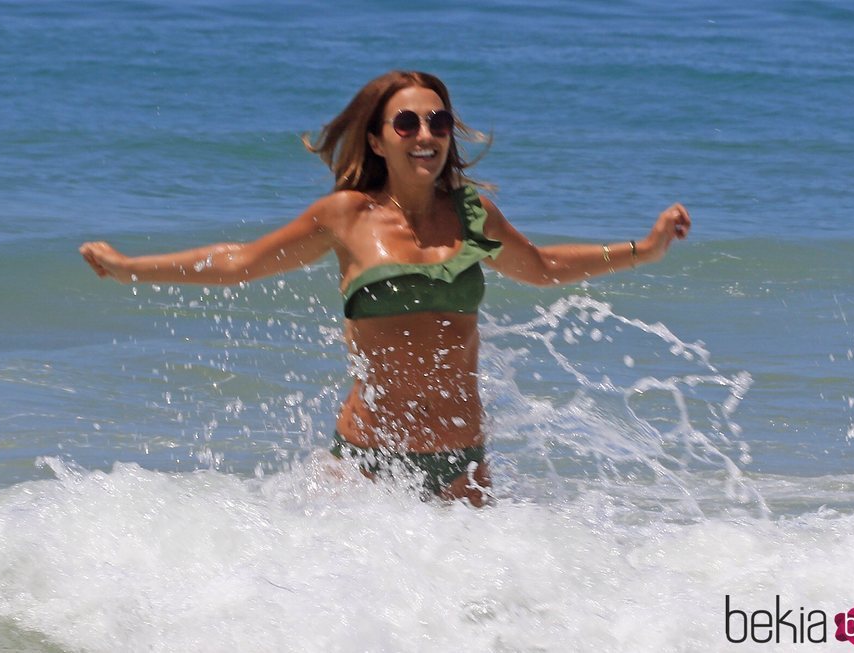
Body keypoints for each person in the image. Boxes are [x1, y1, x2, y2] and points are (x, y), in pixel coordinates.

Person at [79, 70, 691, 507]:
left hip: (461, 458)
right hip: (369, 456)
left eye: (438, 120)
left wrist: (647, 247)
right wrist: (133, 267)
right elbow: (239, 262)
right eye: (407, 121)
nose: (426, 133)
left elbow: (544, 266)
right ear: (377, 139)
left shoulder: (473, 213)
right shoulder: (345, 216)